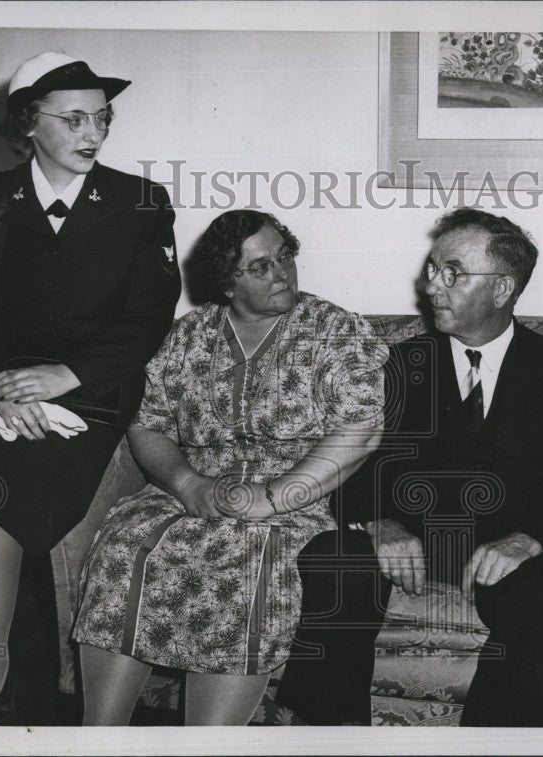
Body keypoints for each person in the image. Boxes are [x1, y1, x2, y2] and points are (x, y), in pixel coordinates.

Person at [0, 52, 181, 723]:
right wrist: (2, 386)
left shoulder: (142, 202)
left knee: (4, 478)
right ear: (29, 124)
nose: (94, 132)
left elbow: (148, 318)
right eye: (74, 118)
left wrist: (65, 376)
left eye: (102, 118)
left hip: (92, 385)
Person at [274, 208, 543, 727]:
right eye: (432, 268)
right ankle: (333, 735)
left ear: (502, 289)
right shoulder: (397, 364)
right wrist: (380, 524)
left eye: (452, 272)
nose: (432, 285)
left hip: (511, 546)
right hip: (415, 540)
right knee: (333, 554)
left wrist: (527, 541)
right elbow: (352, 466)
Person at [71, 209, 388, 726]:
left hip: (293, 503)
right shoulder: (186, 336)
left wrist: (276, 495)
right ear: (226, 281)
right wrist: (185, 483)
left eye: (285, 257)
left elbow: (361, 429)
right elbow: (147, 425)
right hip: (191, 494)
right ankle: (98, 737)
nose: (281, 274)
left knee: (245, 560)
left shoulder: (333, 330)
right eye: (259, 267)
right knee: (126, 547)